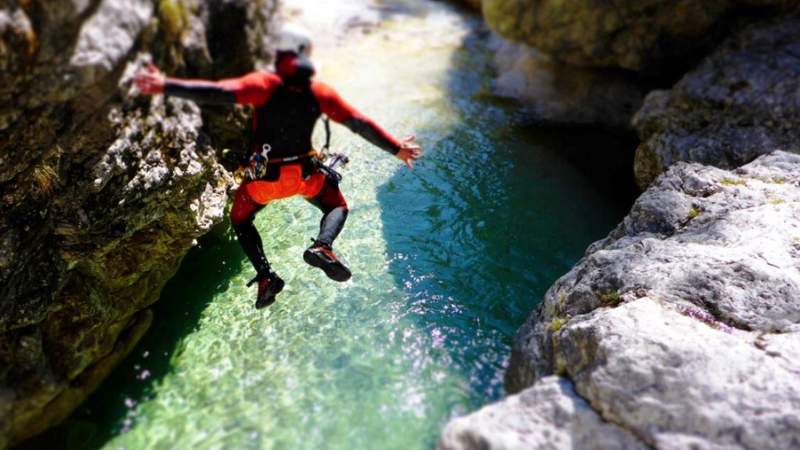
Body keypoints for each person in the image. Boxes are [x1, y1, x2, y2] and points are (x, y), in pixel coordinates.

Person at [134, 25, 421, 308]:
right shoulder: (319, 91)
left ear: (280, 54)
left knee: (241, 221)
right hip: (305, 177)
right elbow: (359, 123)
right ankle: (322, 246)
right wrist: (397, 149)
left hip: (263, 183)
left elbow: (219, 92)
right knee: (337, 206)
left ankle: (265, 276)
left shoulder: (265, 85)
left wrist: (165, 85)